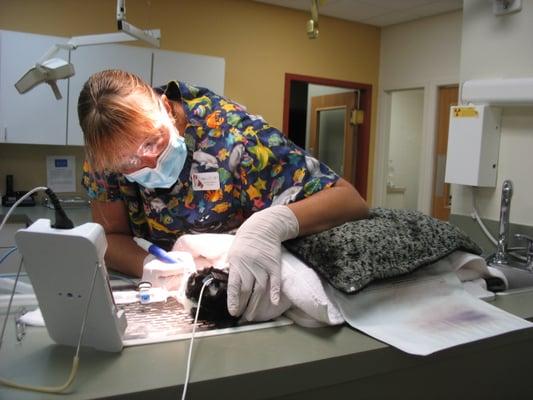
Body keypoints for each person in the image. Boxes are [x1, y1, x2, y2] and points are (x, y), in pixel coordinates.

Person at [78, 69, 368, 321]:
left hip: (238, 291)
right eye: (129, 163)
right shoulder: (107, 152)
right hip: (170, 297)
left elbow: (349, 201)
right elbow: (110, 237)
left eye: (153, 142)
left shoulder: (231, 133)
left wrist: (272, 223)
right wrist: (148, 265)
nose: (149, 162)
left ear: (166, 108)